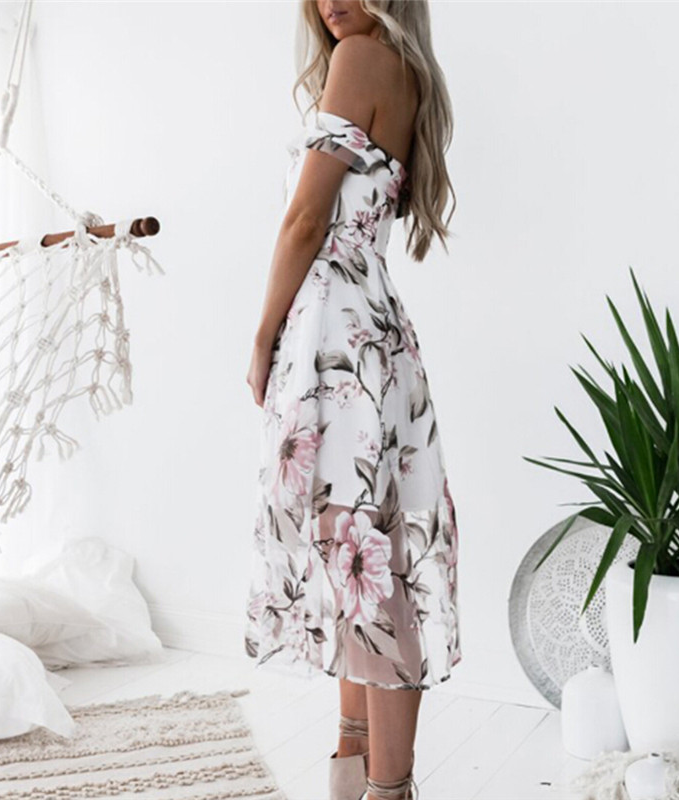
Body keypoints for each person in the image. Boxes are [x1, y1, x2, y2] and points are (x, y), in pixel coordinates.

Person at [245, 2, 460, 798]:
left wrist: (263, 335)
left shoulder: (362, 56)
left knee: (365, 560)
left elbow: (306, 221)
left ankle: (387, 788)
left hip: (335, 329)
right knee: (358, 553)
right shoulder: (399, 69)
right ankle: (355, 763)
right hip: (367, 328)